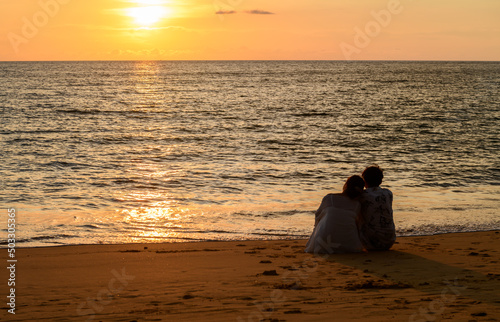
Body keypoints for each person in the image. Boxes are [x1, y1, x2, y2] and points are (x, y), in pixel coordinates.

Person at [305, 175, 365, 254]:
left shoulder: (329, 198)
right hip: (350, 245)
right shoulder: (357, 204)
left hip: (323, 243)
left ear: (346, 185)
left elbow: (317, 217)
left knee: (323, 219)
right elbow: (358, 225)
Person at [358, 165, 396, 251]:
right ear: (381, 180)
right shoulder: (388, 193)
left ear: (364, 181)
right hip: (389, 240)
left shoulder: (363, 195)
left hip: (370, 243)